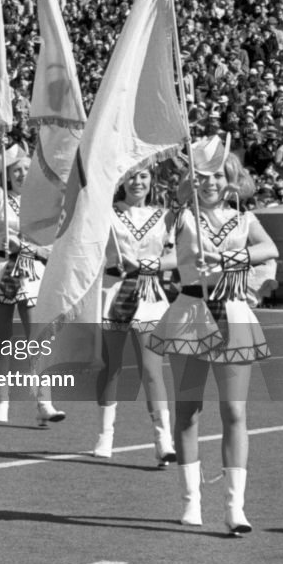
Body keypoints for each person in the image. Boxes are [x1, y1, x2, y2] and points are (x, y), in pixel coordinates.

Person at [150, 135, 278, 535]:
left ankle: (234, 507)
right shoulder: (181, 216)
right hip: (189, 313)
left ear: (231, 179)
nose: (210, 182)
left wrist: (228, 258)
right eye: (202, 175)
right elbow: (162, 231)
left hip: (233, 313)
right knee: (188, 411)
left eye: (218, 175)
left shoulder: (244, 219)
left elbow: (268, 249)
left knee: (235, 412)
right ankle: (191, 501)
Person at [0, 140, 65, 425]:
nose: (22, 174)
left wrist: (32, 250)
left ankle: (44, 402)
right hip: (0, 270)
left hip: (31, 273)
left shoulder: (43, 207)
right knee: (1, 341)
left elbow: (50, 248)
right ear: (8, 175)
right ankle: (2, 402)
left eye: (26, 169)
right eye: (16, 170)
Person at [94, 166, 177, 465]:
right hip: (114, 291)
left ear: (152, 179)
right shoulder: (105, 211)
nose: (137, 182)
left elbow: (178, 255)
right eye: (131, 176)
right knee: (111, 365)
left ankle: (162, 439)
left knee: (151, 369)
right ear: (120, 181)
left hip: (150, 295)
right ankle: (105, 435)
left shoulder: (166, 216)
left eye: (143, 176)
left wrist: (154, 263)